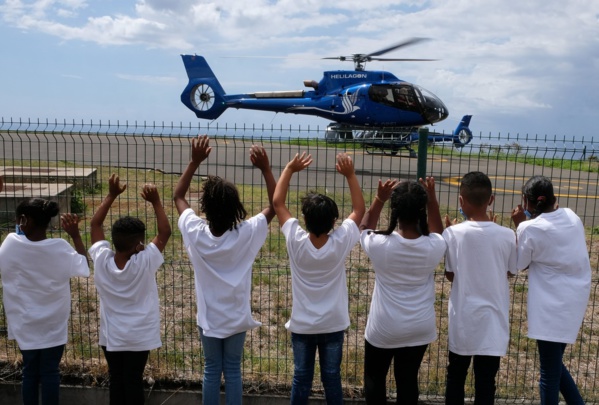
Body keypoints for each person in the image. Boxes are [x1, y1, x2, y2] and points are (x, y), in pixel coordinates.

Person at [173, 135, 276, 405]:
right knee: (232, 371)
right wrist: (266, 169)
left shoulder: (195, 232)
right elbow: (275, 206)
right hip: (236, 317)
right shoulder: (246, 233)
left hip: (208, 320)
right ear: (236, 208)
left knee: (210, 370)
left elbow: (178, 196)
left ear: (204, 207)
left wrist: (194, 162)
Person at [273, 151, 365, 405]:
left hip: (302, 326)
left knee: (301, 377)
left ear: (304, 219)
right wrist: (350, 175)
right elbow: (359, 209)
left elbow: (278, 203)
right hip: (333, 324)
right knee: (332, 378)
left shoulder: (296, 240)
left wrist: (290, 169)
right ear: (334, 221)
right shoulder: (340, 241)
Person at [359, 177, 446, 405]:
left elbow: (363, 228)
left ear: (394, 209)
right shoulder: (433, 247)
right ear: (422, 211)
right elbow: (438, 232)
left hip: (383, 328)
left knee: (374, 380)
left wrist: (379, 198)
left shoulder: (379, 244)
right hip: (419, 328)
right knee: (408, 381)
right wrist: (432, 199)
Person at [89, 174, 171, 405]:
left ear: (113, 240)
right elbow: (164, 232)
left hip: (111, 336)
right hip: (139, 336)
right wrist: (155, 201)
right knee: (133, 380)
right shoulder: (144, 262)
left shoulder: (102, 260)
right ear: (138, 245)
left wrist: (112, 195)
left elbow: (95, 225)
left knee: (116, 379)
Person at [0, 194, 89, 405]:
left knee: (29, 372)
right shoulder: (60, 248)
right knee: (50, 372)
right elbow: (84, 267)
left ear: (24, 220)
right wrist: (75, 235)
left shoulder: (10, 245)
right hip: (53, 324)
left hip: (24, 323)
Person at [511, 175, 590, 405]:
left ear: (532, 201)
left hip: (549, 307)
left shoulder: (529, 227)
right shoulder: (571, 216)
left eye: (524, 201)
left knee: (548, 374)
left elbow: (519, 264)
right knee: (554, 364)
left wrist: (518, 225)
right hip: (573, 301)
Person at [442, 171, 517, 405]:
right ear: (491, 199)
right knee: (486, 382)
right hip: (493, 322)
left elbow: (450, 274)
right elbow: (511, 270)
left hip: (463, 320)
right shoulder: (507, 236)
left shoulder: (452, 233)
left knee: (455, 377)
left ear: (461, 201)